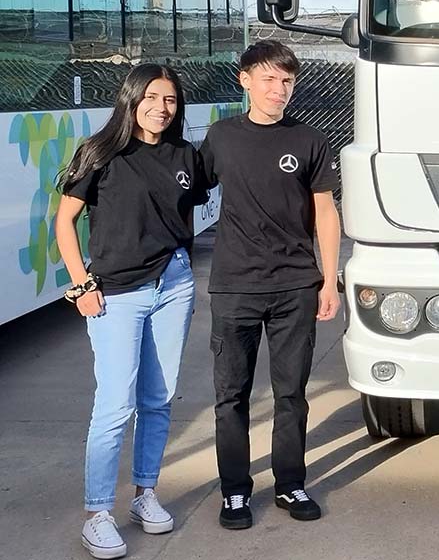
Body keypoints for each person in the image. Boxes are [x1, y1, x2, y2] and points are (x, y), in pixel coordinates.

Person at [55, 65, 207, 559]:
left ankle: (145, 495)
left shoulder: (185, 154)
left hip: (174, 284)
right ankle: (97, 513)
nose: (162, 108)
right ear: (132, 97)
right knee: (116, 403)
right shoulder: (100, 152)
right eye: (153, 97)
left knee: (158, 399)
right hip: (116, 293)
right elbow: (64, 222)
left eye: (171, 100)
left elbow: (185, 212)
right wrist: (82, 285)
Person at [200, 40, 342, 530]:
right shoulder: (220, 138)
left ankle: (290, 483)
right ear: (245, 80)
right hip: (235, 286)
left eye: (286, 81)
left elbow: (325, 212)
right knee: (231, 396)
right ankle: (235, 492)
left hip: (294, 287)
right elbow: (182, 188)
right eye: (268, 79)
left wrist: (329, 280)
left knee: (290, 394)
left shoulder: (308, 140)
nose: (278, 90)